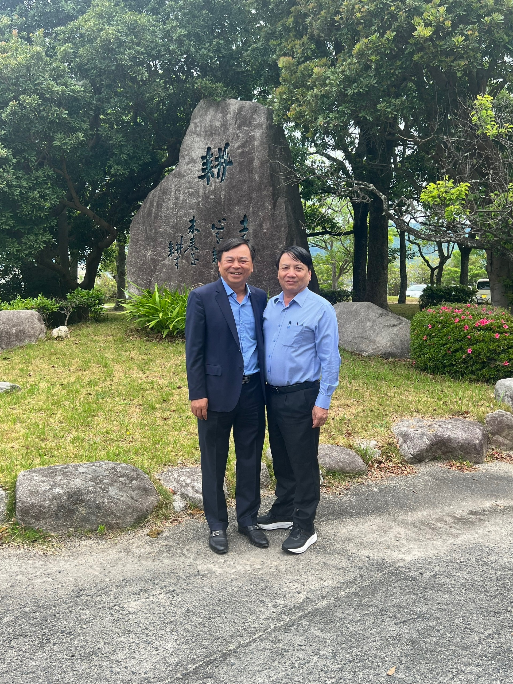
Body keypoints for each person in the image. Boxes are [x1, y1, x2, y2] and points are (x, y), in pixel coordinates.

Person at [185, 237, 269, 554]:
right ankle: (217, 524)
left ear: (252, 265)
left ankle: (248, 519)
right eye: (230, 260)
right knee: (214, 461)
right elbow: (194, 350)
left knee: (250, 459)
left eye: (243, 260)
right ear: (219, 263)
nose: (237, 266)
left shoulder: (260, 298)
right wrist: (197, 393)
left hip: (253, 391)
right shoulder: (203, 297)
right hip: (216, 394)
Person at [258, 246, 341, 554]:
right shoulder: (271, 306)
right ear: (278, 272)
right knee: (281, 455)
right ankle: (284, 509)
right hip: (272, 394)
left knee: (303, 461)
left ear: (309, 273)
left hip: (302, 395)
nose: (290, 273)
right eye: (285, 267)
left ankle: (305, 525)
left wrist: (323, 400)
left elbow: (330, 358)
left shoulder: (321, 308)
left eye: (298, 268)